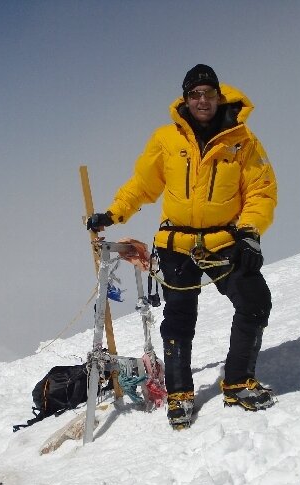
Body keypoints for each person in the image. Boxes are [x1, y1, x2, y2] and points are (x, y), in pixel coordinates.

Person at [86, 64, 277, 430]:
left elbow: (260, 191)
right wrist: (113, 214)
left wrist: (250, 233)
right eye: (195, 94)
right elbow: (143, 185)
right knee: (178, 319)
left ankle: (237, 382)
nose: (202, 100)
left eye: (208, 93)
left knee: (255, 302)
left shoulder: (243, 141)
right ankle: (179, 395)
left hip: (225, 240)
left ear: (219, 97)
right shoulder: (166, 139)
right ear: (186, 99)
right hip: (176, 243)